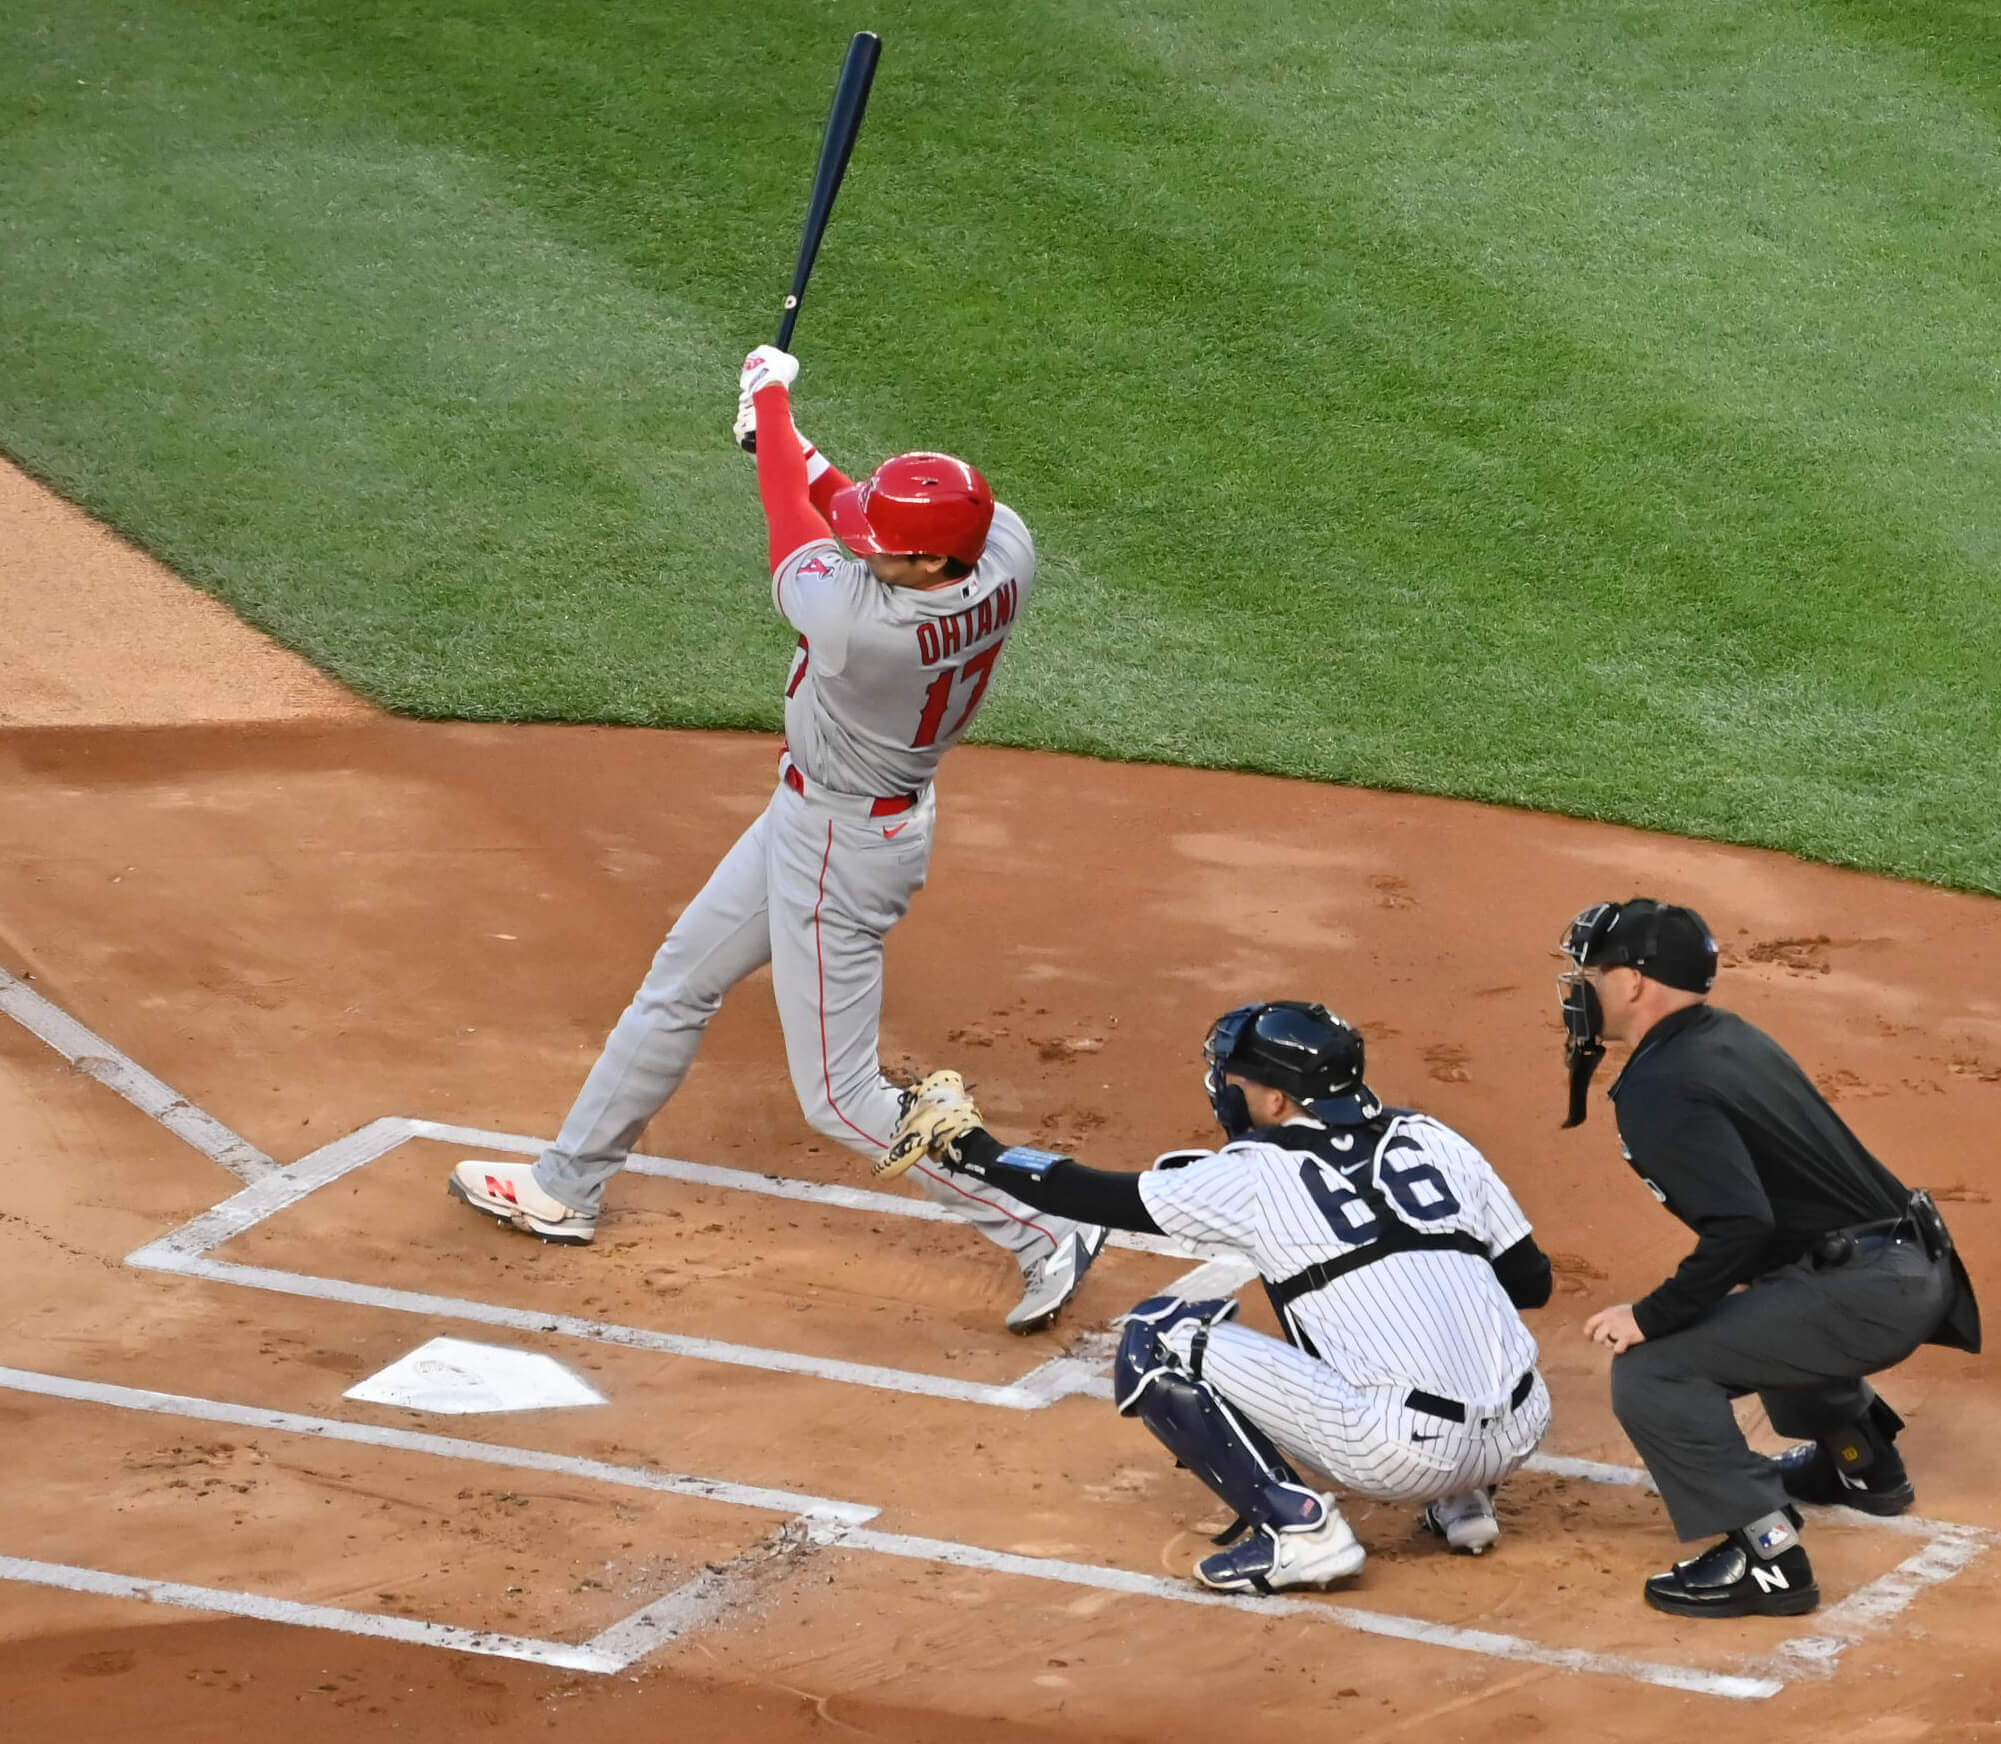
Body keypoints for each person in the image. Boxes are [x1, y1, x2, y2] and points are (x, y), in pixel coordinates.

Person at [446, 344, 1106, 1335]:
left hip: (842, 843)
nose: (866, 546)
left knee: (838, 1101)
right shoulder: (1004, 545)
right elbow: (843, 512)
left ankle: (1040, 1226)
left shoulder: (857, 629)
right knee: (680, 979)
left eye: (888, 544)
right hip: (824, 818)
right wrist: (793, 449)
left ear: (929, 565)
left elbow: (795, 536)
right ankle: (565, 1185)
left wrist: (773, 409)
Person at [881, 1001, 1554, 1593]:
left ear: (1277, 1101)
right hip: (1521, 1429)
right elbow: (1531, 1281)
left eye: (1241, 1080)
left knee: (1158, 1339)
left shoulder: (1255, 1175)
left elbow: (1083, 1192)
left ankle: (1300, 1534)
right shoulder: (1435, 1139)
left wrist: (970, 1146)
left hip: (1398, 1455)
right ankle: (1465, 1502)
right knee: (1400, 1301)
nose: (1230, 1090)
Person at [1557, 897, 1981, 1619]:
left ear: (1632, 981)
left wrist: (1650, 1316)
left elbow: (1738, 1223)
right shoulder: (1725, 1037)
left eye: (1590, 974)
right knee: (1762, 1298)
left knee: (1654, 1369)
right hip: (1906, 1263)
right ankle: (1860, 1463)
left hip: (1868, 1287)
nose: (1579, 990)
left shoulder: (1663, 1084)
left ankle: (1766, 1557)